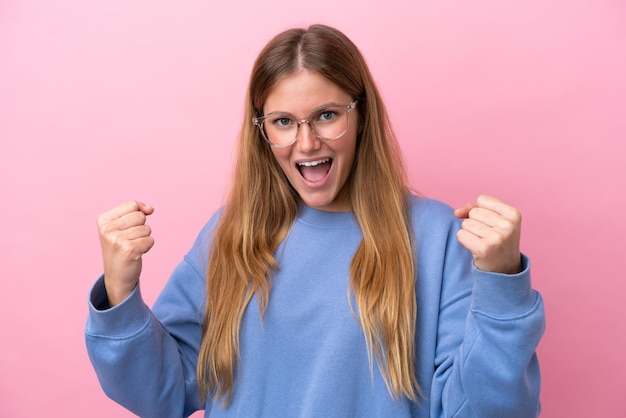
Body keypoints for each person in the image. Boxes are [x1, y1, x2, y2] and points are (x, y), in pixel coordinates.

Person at [85, 24, 545, 417]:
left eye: (327, 116)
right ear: (261, 131)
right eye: (283, 121)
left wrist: (502, 287)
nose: (305, 144)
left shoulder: (436, 237)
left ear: (362, 116)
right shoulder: (230, 235)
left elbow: (483, 408)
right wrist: (120, 290)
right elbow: (160, 392)